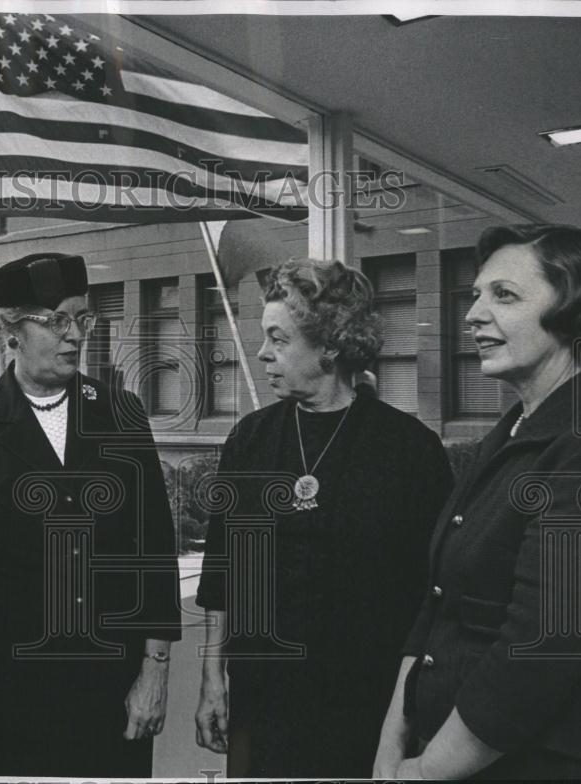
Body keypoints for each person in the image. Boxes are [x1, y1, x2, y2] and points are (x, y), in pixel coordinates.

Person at [374, 224, 581, 780]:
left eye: (504, 295)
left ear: (577, 312)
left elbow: (544, 646)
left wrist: (424, 772)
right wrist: (390, 749)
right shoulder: (511, 432)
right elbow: (438, 603)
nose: (472, 314)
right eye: (476, 294)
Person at [194, 258, 453, 777]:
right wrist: (212, 678)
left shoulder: (410, 450)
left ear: (331, 346)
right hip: (262, 703)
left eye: (279, 339)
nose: (263, 354)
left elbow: (436, 599)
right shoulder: (249, 440)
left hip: (368, 708)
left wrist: (415, 715)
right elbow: (223, 574)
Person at [0, 252, 181, 777]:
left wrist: (154, 672)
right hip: (11, 698)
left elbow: (153, 549)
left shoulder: (121, 413)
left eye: (82, 319)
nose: (75, 335)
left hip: (112, 693)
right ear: (12, 330)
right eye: (56, 321)